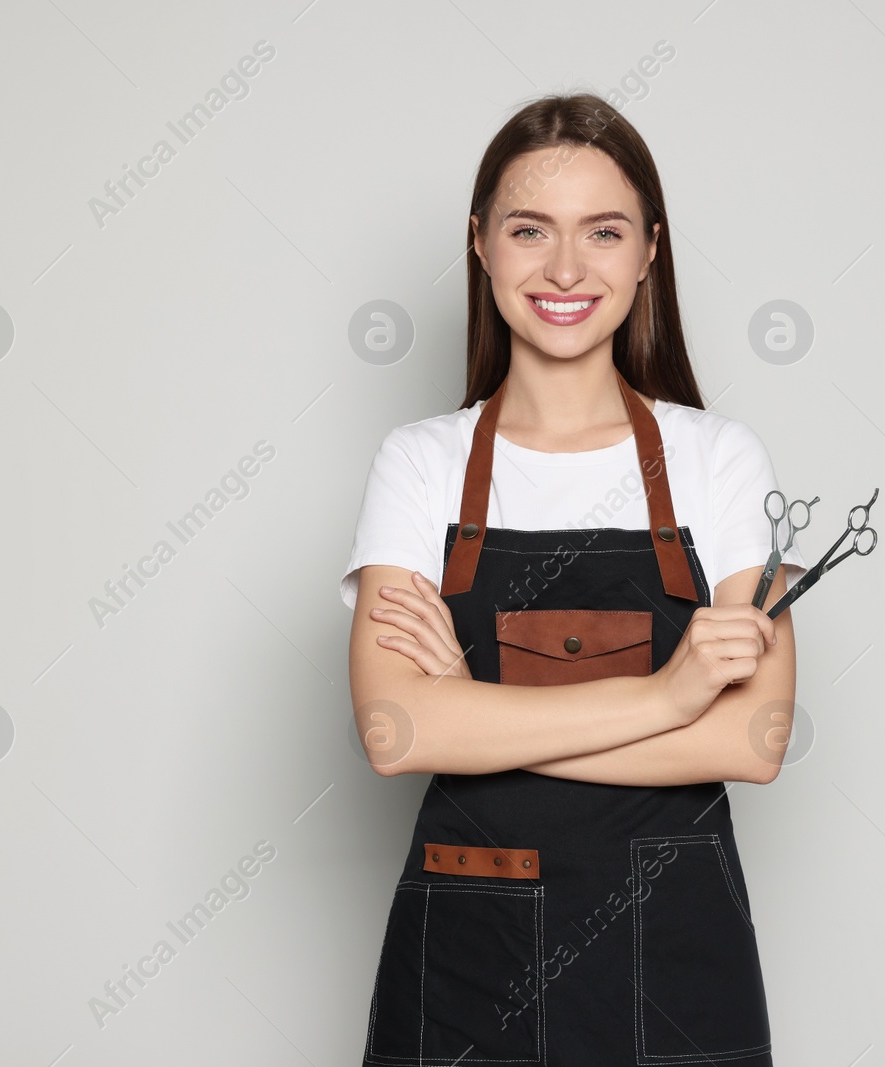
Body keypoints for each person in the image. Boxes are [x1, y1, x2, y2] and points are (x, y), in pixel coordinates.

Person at [339, 91, 808, 1067]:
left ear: (647, 252)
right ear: (480, 245)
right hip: (465, 959)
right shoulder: (420, 461)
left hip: (675, 960)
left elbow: (754, 738)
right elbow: (396, 731)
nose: (563, 269)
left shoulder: (719, 458)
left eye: (602, 231)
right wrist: (666, 697)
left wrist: (475, 711)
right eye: (528, 230)